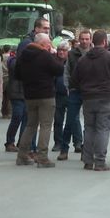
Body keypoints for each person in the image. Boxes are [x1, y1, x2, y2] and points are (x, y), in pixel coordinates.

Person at [72, 29, 110, 171]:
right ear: (105, 41)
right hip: (106, 98)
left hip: (88, 98)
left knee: (89, 129)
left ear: (93, 41)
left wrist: (84, 90)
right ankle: (100, 162)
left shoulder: (83, 59)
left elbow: (74, 80)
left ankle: (88, 160)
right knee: (103, 130)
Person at [15, 32, 64, 168]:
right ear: (43, 44)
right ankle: (42, 157)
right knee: (45, 126)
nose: (50, 45)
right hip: (46, 95)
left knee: (30, 125)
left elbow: (17, 74)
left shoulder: (23, 55)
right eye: (49, 43)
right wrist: (56, 56)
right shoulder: (45, 55)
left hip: (29, 95)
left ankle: (22, 155)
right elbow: (59, 70)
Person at [56, 29, 92, 160]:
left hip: (89, 92)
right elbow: (66, 72)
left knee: (89, 124)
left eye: (87, 39)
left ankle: (85, 150)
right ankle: (64, 149)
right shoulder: (71, 54)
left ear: (91, 40)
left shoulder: (94, 54)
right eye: (82, 39)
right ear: (79, 40)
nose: (84, 41)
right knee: (70, 121)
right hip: (74, 91)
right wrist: (68, 88)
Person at [52, 40, 74, 152]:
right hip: (58, 95)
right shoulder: (53, 62)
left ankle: (78, 142)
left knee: (74, 120)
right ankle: (58, 143)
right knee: (58, 120)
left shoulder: (71, 62)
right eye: (59, 50)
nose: (61, 52)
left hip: (70, 94)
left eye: (64, 50)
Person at [1, 45, 12, 118]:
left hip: (1, 78)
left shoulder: (0, 57)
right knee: (9, 97)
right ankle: (9, 113)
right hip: (9, 77)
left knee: (2, 96)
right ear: (9, 50)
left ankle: (3, 112)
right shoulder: (10, 58)